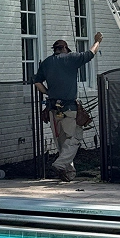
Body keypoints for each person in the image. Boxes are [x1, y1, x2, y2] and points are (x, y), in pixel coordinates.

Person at [33, 32, 103, 181]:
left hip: (53, 109)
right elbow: (91, 53)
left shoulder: (46, 63)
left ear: (55, 49)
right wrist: (97, 41)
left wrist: (48, 92)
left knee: (62, 142)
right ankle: (60, 165)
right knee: (75, 137)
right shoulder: (72, 58)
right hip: (69, 109)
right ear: (65, 48)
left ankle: (68, 173)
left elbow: (37, 82)